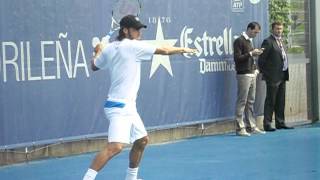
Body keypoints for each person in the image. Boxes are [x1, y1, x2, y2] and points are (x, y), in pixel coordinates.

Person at [82, 15, 197, 180]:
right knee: (115, 147)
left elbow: (93, 65)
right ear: (125, 30)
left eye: (140, 29)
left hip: (126, 106)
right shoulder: (132, 46)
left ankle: (131, 178)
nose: (139, 32)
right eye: (136, 29)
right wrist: (183, 49)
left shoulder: (109, 48)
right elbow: (164, 50)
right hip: (119, 108)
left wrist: (98, 50)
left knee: (142, 140)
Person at [258, 22, 294, 132]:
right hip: (272, 77)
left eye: (281, 29)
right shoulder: (268, 42)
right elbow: (261, 60)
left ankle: (280, 122)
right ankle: (267, 124)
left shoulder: (281, 41)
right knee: (270, 100)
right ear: (272, 29)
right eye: (277, 29)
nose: (279, 31)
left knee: (280, 100)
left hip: (283, 75)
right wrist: (267, 74)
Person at [233, 22, 266, 136]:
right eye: (255, 32)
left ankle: (251, 126)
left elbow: (250, 58)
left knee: (250, 101)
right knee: (242, 101)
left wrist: (256, 69)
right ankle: (239, 128)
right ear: (249, 29)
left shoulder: (249, 41)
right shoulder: (239, 41)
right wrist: (251, 53)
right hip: (243, 75)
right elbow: (237, 58)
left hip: (252, 74)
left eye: (257, 32)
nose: (256, 34)